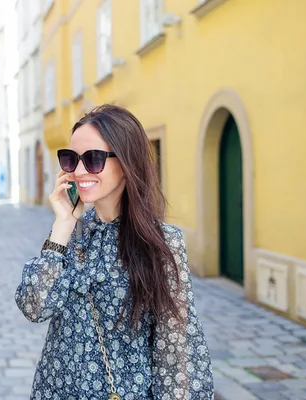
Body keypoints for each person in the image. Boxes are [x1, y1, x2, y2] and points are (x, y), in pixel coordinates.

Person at [14, 104, 214, 399]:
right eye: (71, 159)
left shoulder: (162, 243)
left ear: (127, 162)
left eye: (93, 159)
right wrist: (62, 225)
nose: (79, 171)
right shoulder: (71, 234)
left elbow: (176, 352)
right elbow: (34, 306)